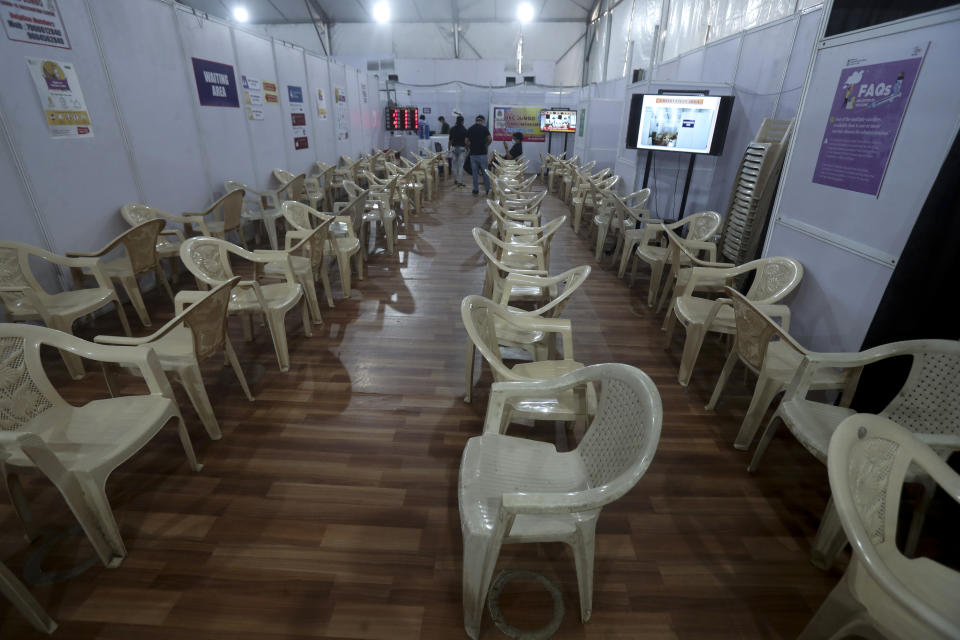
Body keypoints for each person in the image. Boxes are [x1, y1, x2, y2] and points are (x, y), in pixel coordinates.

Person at [465, 114, 491, 195]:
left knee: (475, 173)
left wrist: (469, 147)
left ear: (476, 120)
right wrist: (486, 145)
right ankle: (487, 189)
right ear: (482, 121)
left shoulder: (470, 129)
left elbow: (466, 141)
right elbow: (490, 139)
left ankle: (476, 189)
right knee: (485, 172)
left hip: (473, 155)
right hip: (483, 154)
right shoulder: (484, 129)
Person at [448, 115, 468, 187]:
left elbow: (450, 140)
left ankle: (455, 179)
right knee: (460, 166)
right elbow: (466, 141)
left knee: (454, 165)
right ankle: (459, 181)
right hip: (462, 149)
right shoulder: (465, 130)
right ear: (462, 121)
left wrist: (449, 148)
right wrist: (467, 149)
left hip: (453, 149)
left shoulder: (452, 129)